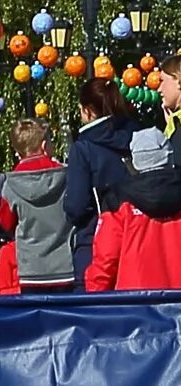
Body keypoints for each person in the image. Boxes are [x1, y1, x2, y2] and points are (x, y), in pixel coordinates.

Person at [62, 77, 140, 279]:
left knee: (92, 305)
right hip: (137, 236)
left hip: (96, 240)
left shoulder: (83, 149)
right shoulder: (138, 137)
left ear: (88, 110)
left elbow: (77, 206)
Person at [86, 128, 181, 291]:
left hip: (134, 304)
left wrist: (93, 304)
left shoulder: (119, 201)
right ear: (169, 156)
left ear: (134, 162)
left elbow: (105, 261)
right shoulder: (119, 200)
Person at [0, 119, 77, 295]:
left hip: (31, 269)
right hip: (65, 265)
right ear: (44, 145)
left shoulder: (11, 184)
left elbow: (6, 223)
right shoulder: (65, 176)